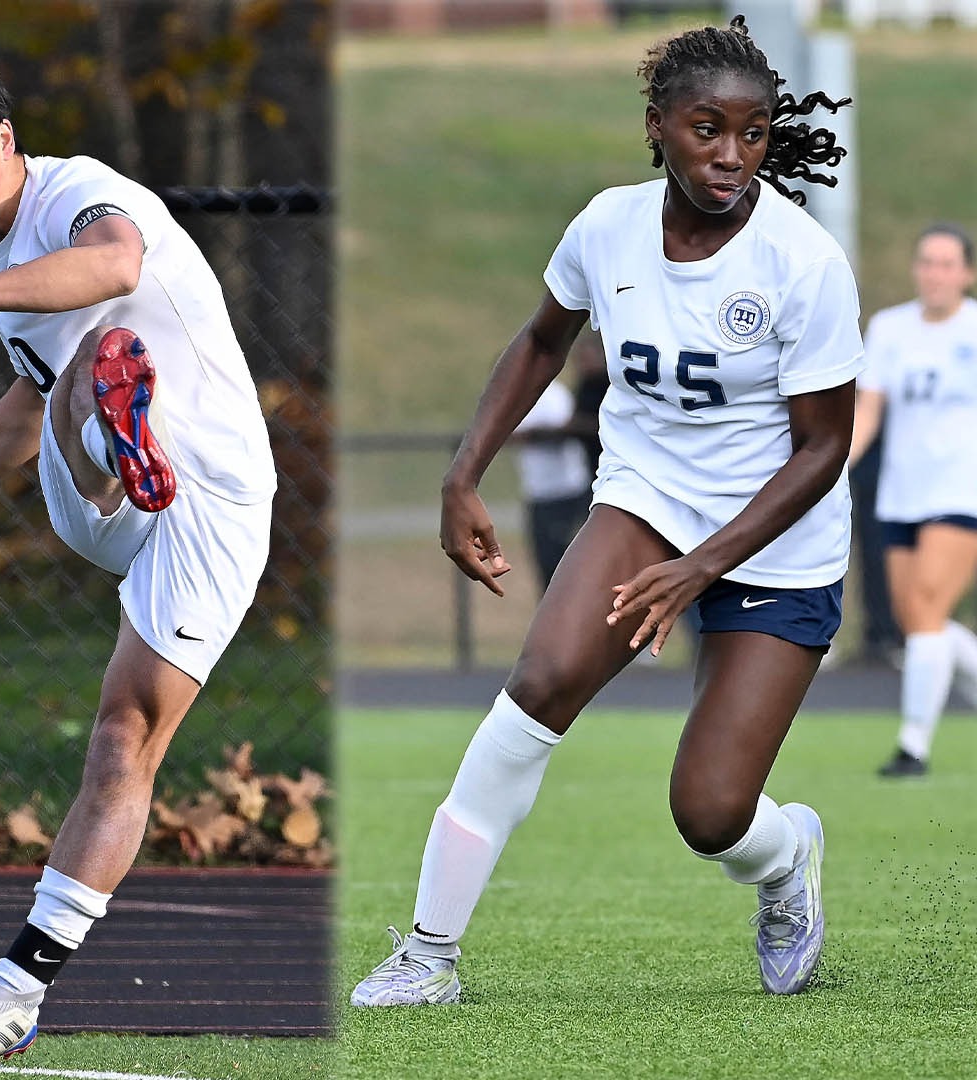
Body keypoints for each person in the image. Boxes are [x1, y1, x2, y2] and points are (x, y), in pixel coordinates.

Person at [351, 16, 859, 1006]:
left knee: (710, 813)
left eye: (753, 134)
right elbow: (543, 341)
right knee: (538, 685)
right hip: (648, 500)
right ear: (659, 123)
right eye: (708, 128)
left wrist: (703, 568)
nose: (731, 156)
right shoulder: (607, 225)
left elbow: (825, 448)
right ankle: (428, 954)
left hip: (776, 539)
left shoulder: (802, 262)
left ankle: (788, 858)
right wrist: (462, 475)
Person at [0, 12, 276, 1063]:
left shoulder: (79, 193)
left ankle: (11, 997)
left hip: (211, 507)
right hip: (102, 500)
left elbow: (116, 263)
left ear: (2, 135)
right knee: (84, 371)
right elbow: (27, 405)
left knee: (125, 740)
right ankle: (111, 432)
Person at [849, 222, 977, 778]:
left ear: (967, 273)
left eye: (947, 264)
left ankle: (913, 748)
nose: (935, 273)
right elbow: (869, 410)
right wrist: (831, 469)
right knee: (919, 621)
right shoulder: (890, 328)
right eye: (927, 262)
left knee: (926, 609)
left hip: (961, 493)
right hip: (902, 494)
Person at [509, 371, 592, 593]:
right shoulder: (519, 397)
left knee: (564, 568)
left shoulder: (552, 395)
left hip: (564, 491)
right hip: (537, 492)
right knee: (545, 569)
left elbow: (567, 430)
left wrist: (530, 435)